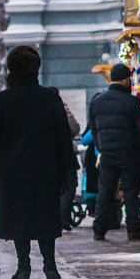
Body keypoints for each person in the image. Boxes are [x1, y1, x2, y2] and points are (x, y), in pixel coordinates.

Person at [0, 46, 76, 279]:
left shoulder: (2, 100)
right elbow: (63, 137)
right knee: (45, 216)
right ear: (36, 69)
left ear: (11, 69)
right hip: (46, 169)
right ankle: (50, 266)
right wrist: (66, 171)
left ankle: (23, 267)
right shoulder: (50, 98)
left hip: (11, 171)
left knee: (18, 217)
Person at [88, 63, 140, 241]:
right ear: (124, 80)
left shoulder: (96, 102)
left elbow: (94, 130)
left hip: (107, 154)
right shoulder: (133, 102)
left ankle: (99, 229)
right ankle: (133, 229)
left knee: (105, 192)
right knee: (131, 192)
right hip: (130, 154)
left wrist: (102, 147)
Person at [49, 87, 81, 232]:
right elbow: (74, 128)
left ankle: (53, 218)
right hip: (65, 154)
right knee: (69, 185)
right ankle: (63, 218)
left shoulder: (39, 108)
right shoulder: (61, 107)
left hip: (47, 157)